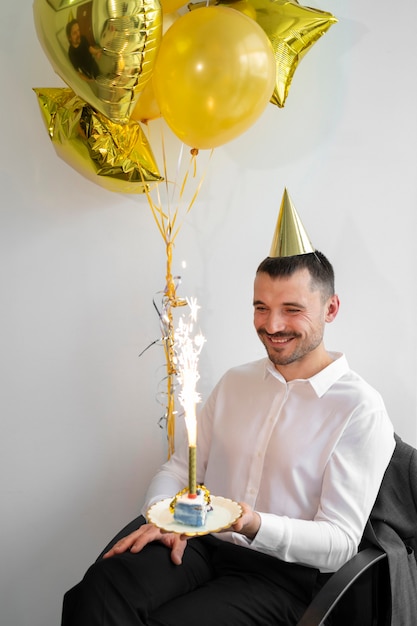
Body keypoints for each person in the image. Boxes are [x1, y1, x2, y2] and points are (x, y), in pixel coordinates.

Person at [61, 190, 395, 626]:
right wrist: (163, 515)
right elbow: (180, 470)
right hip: (199, 542)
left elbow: (339, 543)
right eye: (261, 307)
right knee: (97, 592)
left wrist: (252, 523)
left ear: (330, 308)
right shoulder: (236, 382)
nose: (272, 326)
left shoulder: (360, 409)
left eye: (292, 310)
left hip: (282, 578)